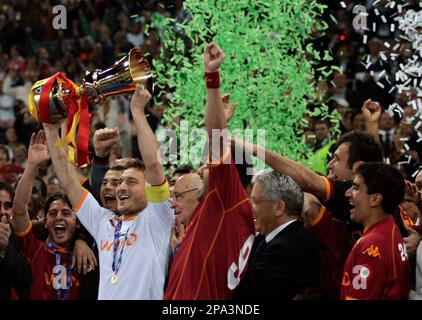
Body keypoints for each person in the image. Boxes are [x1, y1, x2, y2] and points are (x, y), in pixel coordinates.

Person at [43, 85, 173, 300]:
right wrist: (50, 129)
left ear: (148, 189)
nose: (121, 187)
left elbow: (153, 165)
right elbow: (67, 179)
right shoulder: (105, 222)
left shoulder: (157, 219)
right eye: (120, 182)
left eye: (131, 182)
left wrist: (138, 112)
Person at [164, 42, 255, 300]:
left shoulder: (227, 197)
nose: (203, 168)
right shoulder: (225, 208)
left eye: (209, 164)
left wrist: (212, 77)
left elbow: (216, 137)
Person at [12, 131, 86, 300]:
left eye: (66, 212)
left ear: (78, 222)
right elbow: (19, 211)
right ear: (45, 222)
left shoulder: (86, 254)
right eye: (53, 213)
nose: (59, 216)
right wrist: (32, 166)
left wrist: (83, 241)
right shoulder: (34, 248)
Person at [232, 169, 320, 300]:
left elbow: (246, 296)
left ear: (279, 208)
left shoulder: (289, 247)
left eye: (255, 201)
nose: (249, 207)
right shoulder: (269, 237)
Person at [341, 163, 410, 300]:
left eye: (356, 187)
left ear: (375, 199)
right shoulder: (390, 229)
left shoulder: (371, 246)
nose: (347, 193)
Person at [0, 181, 32, 300]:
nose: (2, 211)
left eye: (8, 206)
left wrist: (4, 248)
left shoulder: (14, 236)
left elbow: (25, 283)